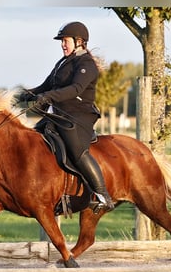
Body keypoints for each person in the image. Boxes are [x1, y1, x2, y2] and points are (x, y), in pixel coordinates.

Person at [19, 21, 115, 213]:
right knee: (32, 140)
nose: (63, 44)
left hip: (79, 116)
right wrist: (24, 95)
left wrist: (48, 97)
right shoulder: (63, 62)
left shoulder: (86, 63)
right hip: (59, 115)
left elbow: (76, 89)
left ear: (79, 42)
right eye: (62, 41)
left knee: (77, 151)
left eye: (66, 41)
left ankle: (103, 195)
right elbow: (46, 86)